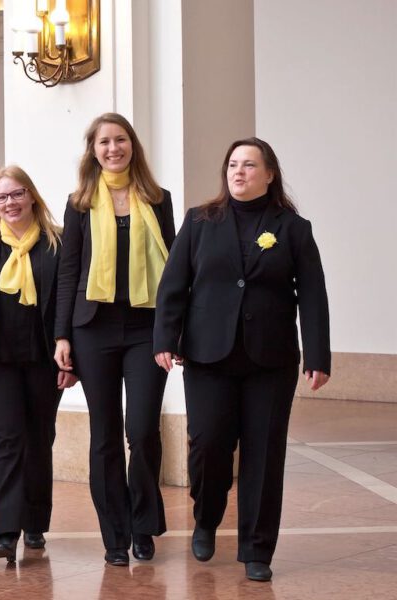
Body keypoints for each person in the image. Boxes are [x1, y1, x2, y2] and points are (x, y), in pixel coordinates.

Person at [153, 137, 330, 582]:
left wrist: (318, 354)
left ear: (269, 175)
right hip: (208, 355)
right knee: (209, 443)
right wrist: (165, 338)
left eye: (249, 165)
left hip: (270, 360)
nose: (239, 172)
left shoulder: (293, 228)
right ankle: (207, 516)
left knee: (264, 454)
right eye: (233, 164)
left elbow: (312, 294)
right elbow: (173, 285)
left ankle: (257, 548)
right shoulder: (199, 221)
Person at [54, 113, 176, 566]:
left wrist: (174, 329)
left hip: (146, 329)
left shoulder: (158, 199)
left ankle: (144, 526)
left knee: (142, 431)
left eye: (120, 139)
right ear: (93, 149)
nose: (112, 148)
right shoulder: (79, 202)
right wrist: (61, 334)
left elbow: (175, 267)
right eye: (104, 142)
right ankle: (115, 535)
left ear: (132, 145)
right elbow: (68, 272)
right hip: (93, 330)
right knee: (103, 436)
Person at [0, 165, 73, 563]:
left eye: (17, 194)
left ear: (33, 197)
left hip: (44, 360)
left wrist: (69, 357)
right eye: (2, 197)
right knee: (5, 443)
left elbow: (65, 304)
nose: (10, 203)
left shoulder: (56, 244)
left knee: (39, 441)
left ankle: (36, 524)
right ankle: (5, 531)